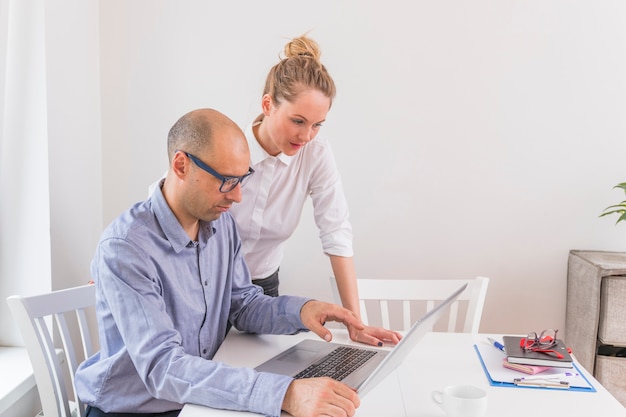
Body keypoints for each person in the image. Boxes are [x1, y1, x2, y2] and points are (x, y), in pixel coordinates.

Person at [75, 108, 367, 417]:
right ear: (181, 165)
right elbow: (163, 368)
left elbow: (242, 304)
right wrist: (286, 393)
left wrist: (303, 310)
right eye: (227, 181)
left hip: (196, 399)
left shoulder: (221, 225)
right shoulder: (126, 247)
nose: (239, 196)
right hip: (133, 409)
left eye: (242, 179)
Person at [229, 35, 401, 347]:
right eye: (298, 121)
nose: (307, 135)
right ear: (267, 105)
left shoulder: (316, 153)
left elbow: (336, 230)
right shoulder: (227, 147)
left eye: (317, 124)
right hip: (210, 284)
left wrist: (355, 322)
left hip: (263, 288)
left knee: (260, 366)